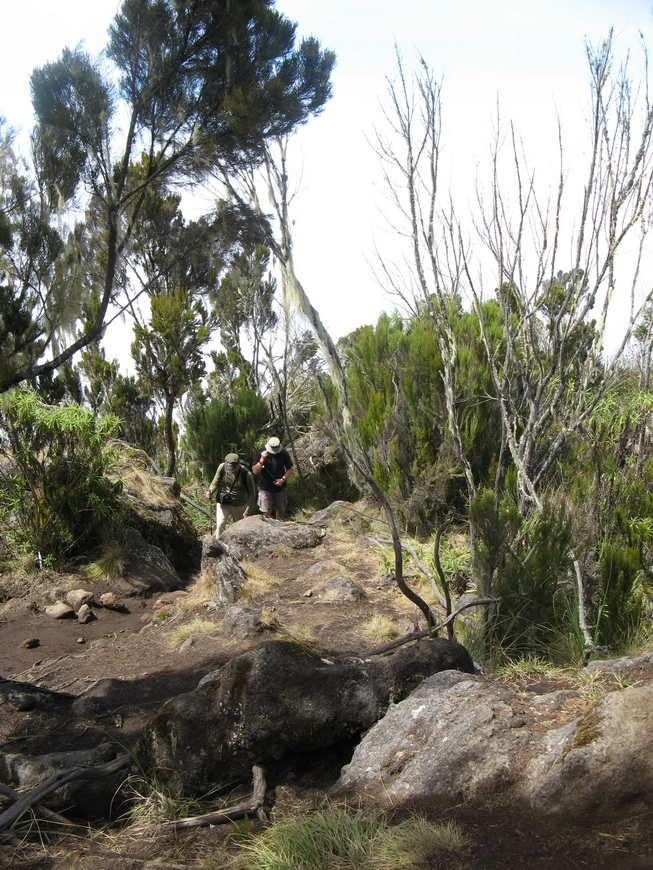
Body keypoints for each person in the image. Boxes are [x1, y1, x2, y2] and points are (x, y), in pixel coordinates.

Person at [206, 453, 256, 538]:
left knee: (239, 529)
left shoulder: (247, 475)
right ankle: (219, 547)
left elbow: (252, 494)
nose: (231, 471)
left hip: (239, 504)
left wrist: (247, 511)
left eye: (233, 469)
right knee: (220, 525)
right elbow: (215, 482)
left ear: (238, 464)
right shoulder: (222, 467)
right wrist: (210, 491)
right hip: (224, 501)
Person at [252, 436, 294, 520]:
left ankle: (279, 528)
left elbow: (290, 469)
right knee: (266, 514)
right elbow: (255, 471)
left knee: (281, 511)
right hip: (265, 488)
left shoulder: (283, 453)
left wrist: (282, 479)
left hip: (280, 488)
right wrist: (262, 459)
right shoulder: (260, 453)